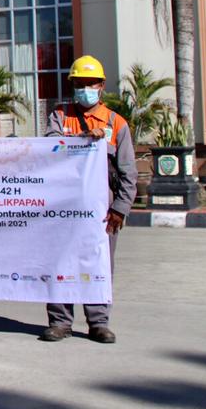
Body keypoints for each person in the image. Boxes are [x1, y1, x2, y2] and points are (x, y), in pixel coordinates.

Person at [40, 55, 136, 344]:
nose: (85, 89)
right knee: (61, 262)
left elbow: (128, 171)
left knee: (99, 264)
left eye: (90, 83)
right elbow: (51, 149)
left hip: (103, 210)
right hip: (64, 205)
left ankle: (99, 323)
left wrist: (120, 208)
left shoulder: (116, 123)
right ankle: (60, 322)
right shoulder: (60, 116)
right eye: (79, 83)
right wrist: (83, 137)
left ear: (101, 85)